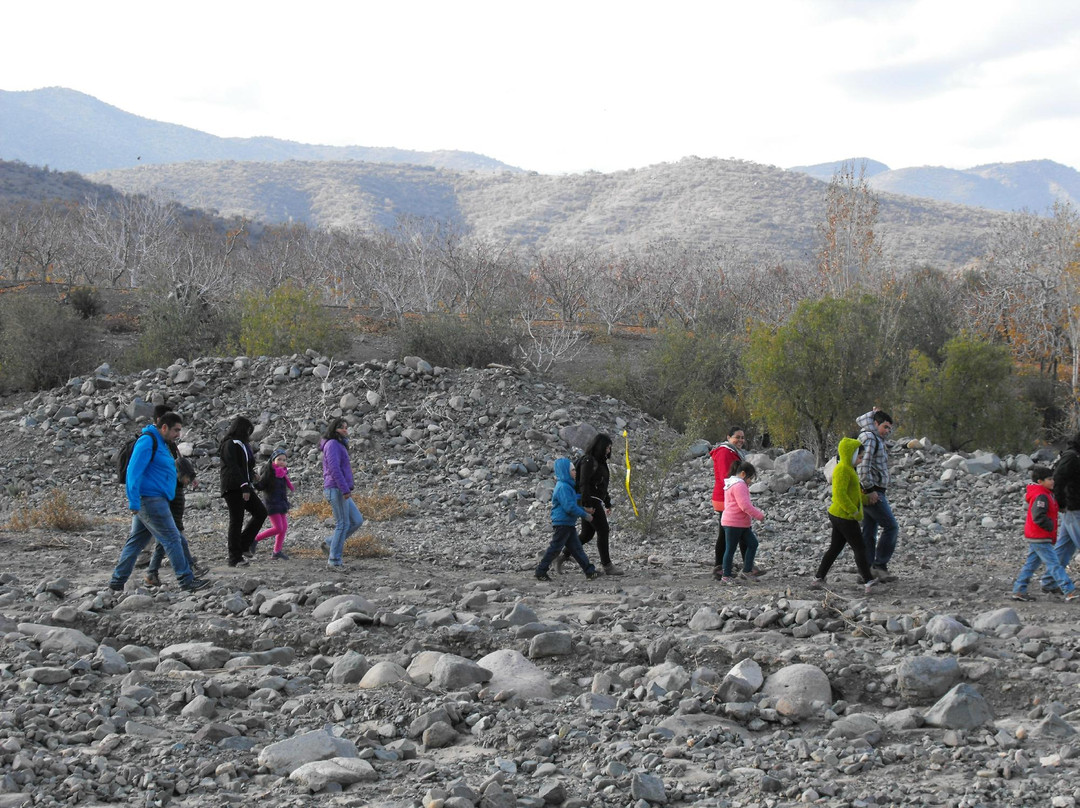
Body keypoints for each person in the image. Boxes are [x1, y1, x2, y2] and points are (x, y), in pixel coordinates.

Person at [109, 411, 209, 592]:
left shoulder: (162, 443)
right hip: (150, 500)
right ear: (164, 427)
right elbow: (133, 472)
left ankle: (116, 582)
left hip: (156, 499)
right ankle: (186, 580)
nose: (178, 434)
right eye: (176, 430)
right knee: (173, 538)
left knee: (136, 542)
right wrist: (133, 501)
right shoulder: (148, 441)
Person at [811, 438, 877, 595]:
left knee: (835, 547)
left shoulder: (849, 469)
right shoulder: (842, 470)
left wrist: (866, 500)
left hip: (840, 515)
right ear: (851, 454)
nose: (861, 460)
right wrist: (854, 512)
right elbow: (839, 495)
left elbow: (853, 492)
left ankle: (818, 577)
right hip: (844, 516)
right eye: (859, 457)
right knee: (859, 548)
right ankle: (868, 581)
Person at [559, 434, 622, 576]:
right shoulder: (589, 461)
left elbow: (601, 486)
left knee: (587, 534)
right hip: (589, 501)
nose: (608, 450)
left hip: (592, 500)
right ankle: (607, 566)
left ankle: (562, 555)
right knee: (603, 530)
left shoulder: (600, 463)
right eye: (607, 447)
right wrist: (586, 504)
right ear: (600, 446)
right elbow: (584, 483)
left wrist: (607, 502)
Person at [1012, 466, 1078, 602]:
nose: (1053, 481)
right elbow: (1038, 516)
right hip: (1040, 537)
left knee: (1031, 564)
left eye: (1052, 478)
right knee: (1054, 564)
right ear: (1040, 481)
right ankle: (1069, 591)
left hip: (1037, 536)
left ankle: (1019, 590)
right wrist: (1049, 526)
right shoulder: (1041, 495)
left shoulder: (1045, 493)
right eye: (1049, 479)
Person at [710, 426, 765, 579]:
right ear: (728, 437)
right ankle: (722, 568)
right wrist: (736, 490)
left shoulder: (733, 452)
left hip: (727, 497)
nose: (741, 440)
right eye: (737, 437)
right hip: (724, 498)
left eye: (742, 437)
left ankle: (745, 566)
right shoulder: (724, 452)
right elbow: (723, 477)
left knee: (735, 533)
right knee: (729, 533)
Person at [536, 457, 600, 581]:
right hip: (563, 524)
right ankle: (541, 570)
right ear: (565, 471)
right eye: (573, 470)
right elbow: (569, 507)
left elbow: (572, 500)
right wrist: (586, 515)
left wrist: (584, 500)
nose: (575, 472)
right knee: (555, 548)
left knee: (576, 549)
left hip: (568, 524)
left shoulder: (566, 486)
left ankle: (590, 571)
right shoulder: (563, 487)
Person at [219, 416, 267, 568]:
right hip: (234, 487)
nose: (249, 434)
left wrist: (251, 475)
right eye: (247, 431)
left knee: (260, 512)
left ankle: (242, 544)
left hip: (242, 485)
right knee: (236, 520)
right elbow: (233, 467)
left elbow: (243, 466)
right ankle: (234, 557)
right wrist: (244, 486)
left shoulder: (241, 445)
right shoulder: (230, 444)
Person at [857, 407, 898, 582]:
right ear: (875, 424)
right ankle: (879, 566)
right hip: (872, 491)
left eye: (890, 428)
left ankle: (866, 570)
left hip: (871, 490)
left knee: (869, 530)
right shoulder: (870, 438)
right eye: (885, 427)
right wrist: (869, 489)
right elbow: (863, 466)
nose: (888, 431)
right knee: (891, 527)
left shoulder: (873, 437)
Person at [321, 418, 364, 570]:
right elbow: (334, 468)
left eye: (346, 427)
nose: (345, 430)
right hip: (336, 488)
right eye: (342, 428)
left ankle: (330, 543)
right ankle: (334, 560)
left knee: (357, 520)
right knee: (343, 523)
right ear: (334, 429)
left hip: (340, 488)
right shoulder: (332, 444)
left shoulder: (339, 444)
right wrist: (345, 489)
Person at [1040, 433, 1080, 593]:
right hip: (1072, 508)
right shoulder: (1071, 458)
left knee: (1064, 547)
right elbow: (1058, 479)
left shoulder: (1073, 457)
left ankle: (1050, 581)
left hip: (1072, 508)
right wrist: (1061, 503)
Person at [719, 461, 766, 583]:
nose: (750, 481)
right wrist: (759, 516)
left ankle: (747, 570)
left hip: (740, 523)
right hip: (733, 523)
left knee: (752, 543)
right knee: (730, 549)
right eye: (750, 478)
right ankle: (726, 576)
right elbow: (744, 505)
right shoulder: (739, 485)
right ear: (743, 474)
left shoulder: (731, 483)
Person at [254, 448, 295, 560]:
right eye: (279, 459)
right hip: (271, 504)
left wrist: (286, 504)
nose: (282, 462)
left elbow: (282, 492)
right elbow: (261, 486)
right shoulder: (269, 473)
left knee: (284, 527)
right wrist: (254, 481)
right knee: (278, 528)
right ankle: (255, 539)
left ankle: (277, 551)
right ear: (273, 461)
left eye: (284, 460)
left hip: (281, 504)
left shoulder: (282, 474)